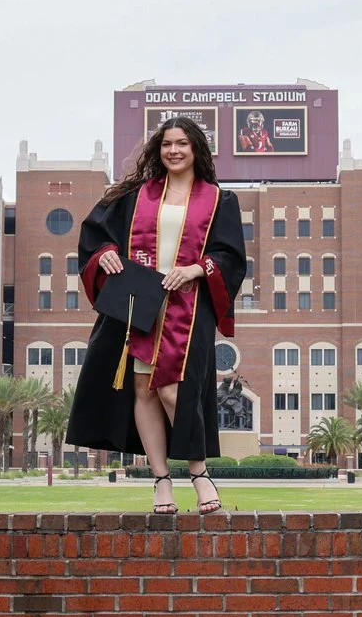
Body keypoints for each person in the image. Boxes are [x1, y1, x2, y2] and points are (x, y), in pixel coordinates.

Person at [64, 116, 248, 514]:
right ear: (158, 149)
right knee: (143, 389)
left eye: (182, 143)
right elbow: (96, 234)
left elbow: (231, 257)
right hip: (139, 301)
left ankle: (199, 474)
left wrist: (197, 269)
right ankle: (162, 481)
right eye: (167, 144)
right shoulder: (136, 196)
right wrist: (105, 254)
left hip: (187, 307)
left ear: (196, 148)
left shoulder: (220, 200)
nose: (173, 151)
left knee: (173, 390)